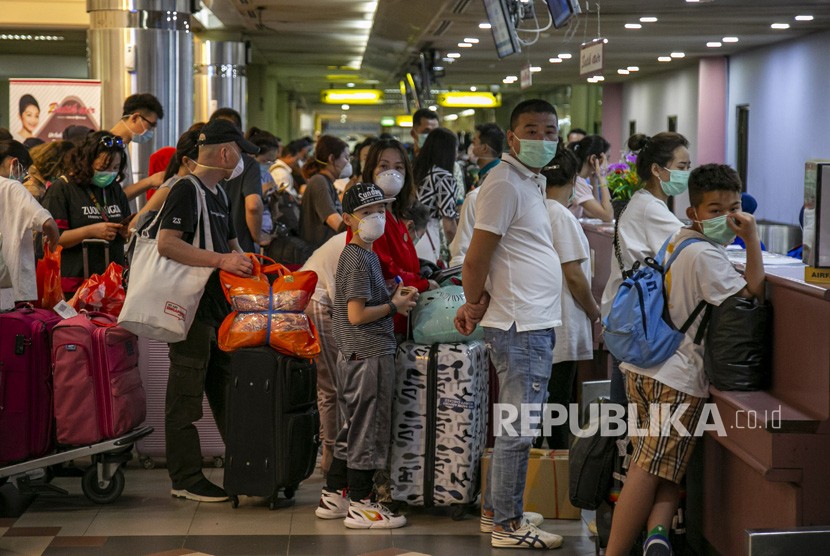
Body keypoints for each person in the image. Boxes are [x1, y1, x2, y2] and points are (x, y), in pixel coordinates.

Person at [606, 164, 764, 556]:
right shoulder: (707, 258)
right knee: (646, 468)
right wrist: (754, 239)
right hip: (676, 377)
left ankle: (657, 537)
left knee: (665, 466)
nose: (727, 218)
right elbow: (751, 297)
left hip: (643, 369)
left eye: (733, 208)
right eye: (714, 209)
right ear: (694, 211)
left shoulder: (677, 239)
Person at [455, 99, 564, 549]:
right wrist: (473, 303)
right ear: (512, 137)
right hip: (520, 324)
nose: (541, 139)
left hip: (528, 320)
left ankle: (496, 509)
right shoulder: (503, 183)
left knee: (516, 425)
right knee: (518, 428)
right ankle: (508, 524)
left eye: (549, 130)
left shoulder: (528, 181)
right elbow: (475, 257)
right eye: (531, 130)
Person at [156, 118, 255, 503]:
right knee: (185, 396)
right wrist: (221, 261)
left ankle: (249, 466)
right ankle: (185, 478)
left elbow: (232, 247)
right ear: (226, 152)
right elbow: (167, 243)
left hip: (217, 312)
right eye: (239, 154)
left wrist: (248, 263)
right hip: (190, 311)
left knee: (226, 391)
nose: (240, 162)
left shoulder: (218, 195)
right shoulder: (186, 189)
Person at [314, 182, 417, 529]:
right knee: (367, 431)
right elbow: (357, 315)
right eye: (367, 213)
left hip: (357, 355)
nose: (377, 218)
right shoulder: (357, 258)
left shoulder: (363, 255)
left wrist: (388, 291)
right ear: (347, 219)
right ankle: (361, 503)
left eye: (380, 210)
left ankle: (334, 495)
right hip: (369, 353)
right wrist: (394, 305)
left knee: (353, 427)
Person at [600, 132, 690, 406]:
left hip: (626, 317)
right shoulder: (651, 209)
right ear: (656, 170)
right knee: (627, 408)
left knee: (622, 399)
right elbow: (688, 249)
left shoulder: (642, 202)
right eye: (681, 167)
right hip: (635, 320)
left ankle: (617, 448)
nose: (687, 173)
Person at [539, 148, 600, 449]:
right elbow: (573, 273)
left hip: (547, 321)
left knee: (550, 403)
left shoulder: (539, 209)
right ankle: (557, 478)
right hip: (561, 323)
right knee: (558, 404)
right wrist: (593, 311)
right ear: (574, 180)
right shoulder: (560, 215)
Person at [353, 139, 438, 333]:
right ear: (370, 170)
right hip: (382, 322)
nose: (391, 173)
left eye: (398, 167)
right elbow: (386, 270)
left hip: (401, 316)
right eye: (383, 166)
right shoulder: (370, 218)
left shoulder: (396, 216)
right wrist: (423, 283)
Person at [40, 132, 132, 297]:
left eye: (115, 168)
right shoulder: (62, 188)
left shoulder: (114, 189)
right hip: (74, 285)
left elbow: (125, 225)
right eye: (103, 168)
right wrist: (90, 231)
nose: (109, 173)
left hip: (112, 283)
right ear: (86, 162)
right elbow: (53, 239)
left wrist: (126, 232)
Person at [300, 230, 347, 476]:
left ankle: (333, 452)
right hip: (316, 300)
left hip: (316, 297)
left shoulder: (358, 238)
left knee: (333, 383)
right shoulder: (357, 242)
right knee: (332, 384)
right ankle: (330, 454)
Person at [0, 141, 60, 304]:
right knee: (11, 325)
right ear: (14, 163)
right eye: (23, 170)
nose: (23, 176)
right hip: (9, 283)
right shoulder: (12, 187)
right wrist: (54, 242)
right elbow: (46, 222)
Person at [208, 108, 264, 254]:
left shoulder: (196, 164)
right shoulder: (248, 164)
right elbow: (253, 206)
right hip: (239, 251)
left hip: (205, 252)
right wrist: (258, 237)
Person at [127, 127, 202, 235]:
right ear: (186, 161)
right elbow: (134, 225)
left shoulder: (197, 185)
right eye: (204, 160)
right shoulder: (171, 187)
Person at [450, 122, 505, 267]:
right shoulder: (488, 175)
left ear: (484, 148)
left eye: (474, 142)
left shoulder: (493, 181)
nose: (471, 148)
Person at [413, 127, 459, 263]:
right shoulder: (444, 177)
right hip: (428, 237)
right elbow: (449, 224)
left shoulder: (417, 170)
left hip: (410, 235)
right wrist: (458, 250)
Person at [108, 93, 166, 201]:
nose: (151, 131)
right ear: (135, 117)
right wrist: (150, 181)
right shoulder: (108, 147)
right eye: (150, 125)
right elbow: (114, 198)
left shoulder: (122, 146)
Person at [300, 135, 349, 250]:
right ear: (331, 159)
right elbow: (334, 221)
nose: (348, 163)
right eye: (346, 158)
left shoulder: (327, 182)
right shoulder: (319, 181)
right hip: (318, 253)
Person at [569, 135, 614, 221]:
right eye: (606, 159)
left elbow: (592, 213)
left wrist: (595, 178)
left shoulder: (578, 179)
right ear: (593, 159)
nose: (607, 164)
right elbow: (608, 215)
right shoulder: (576, 182)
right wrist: (602, 176)